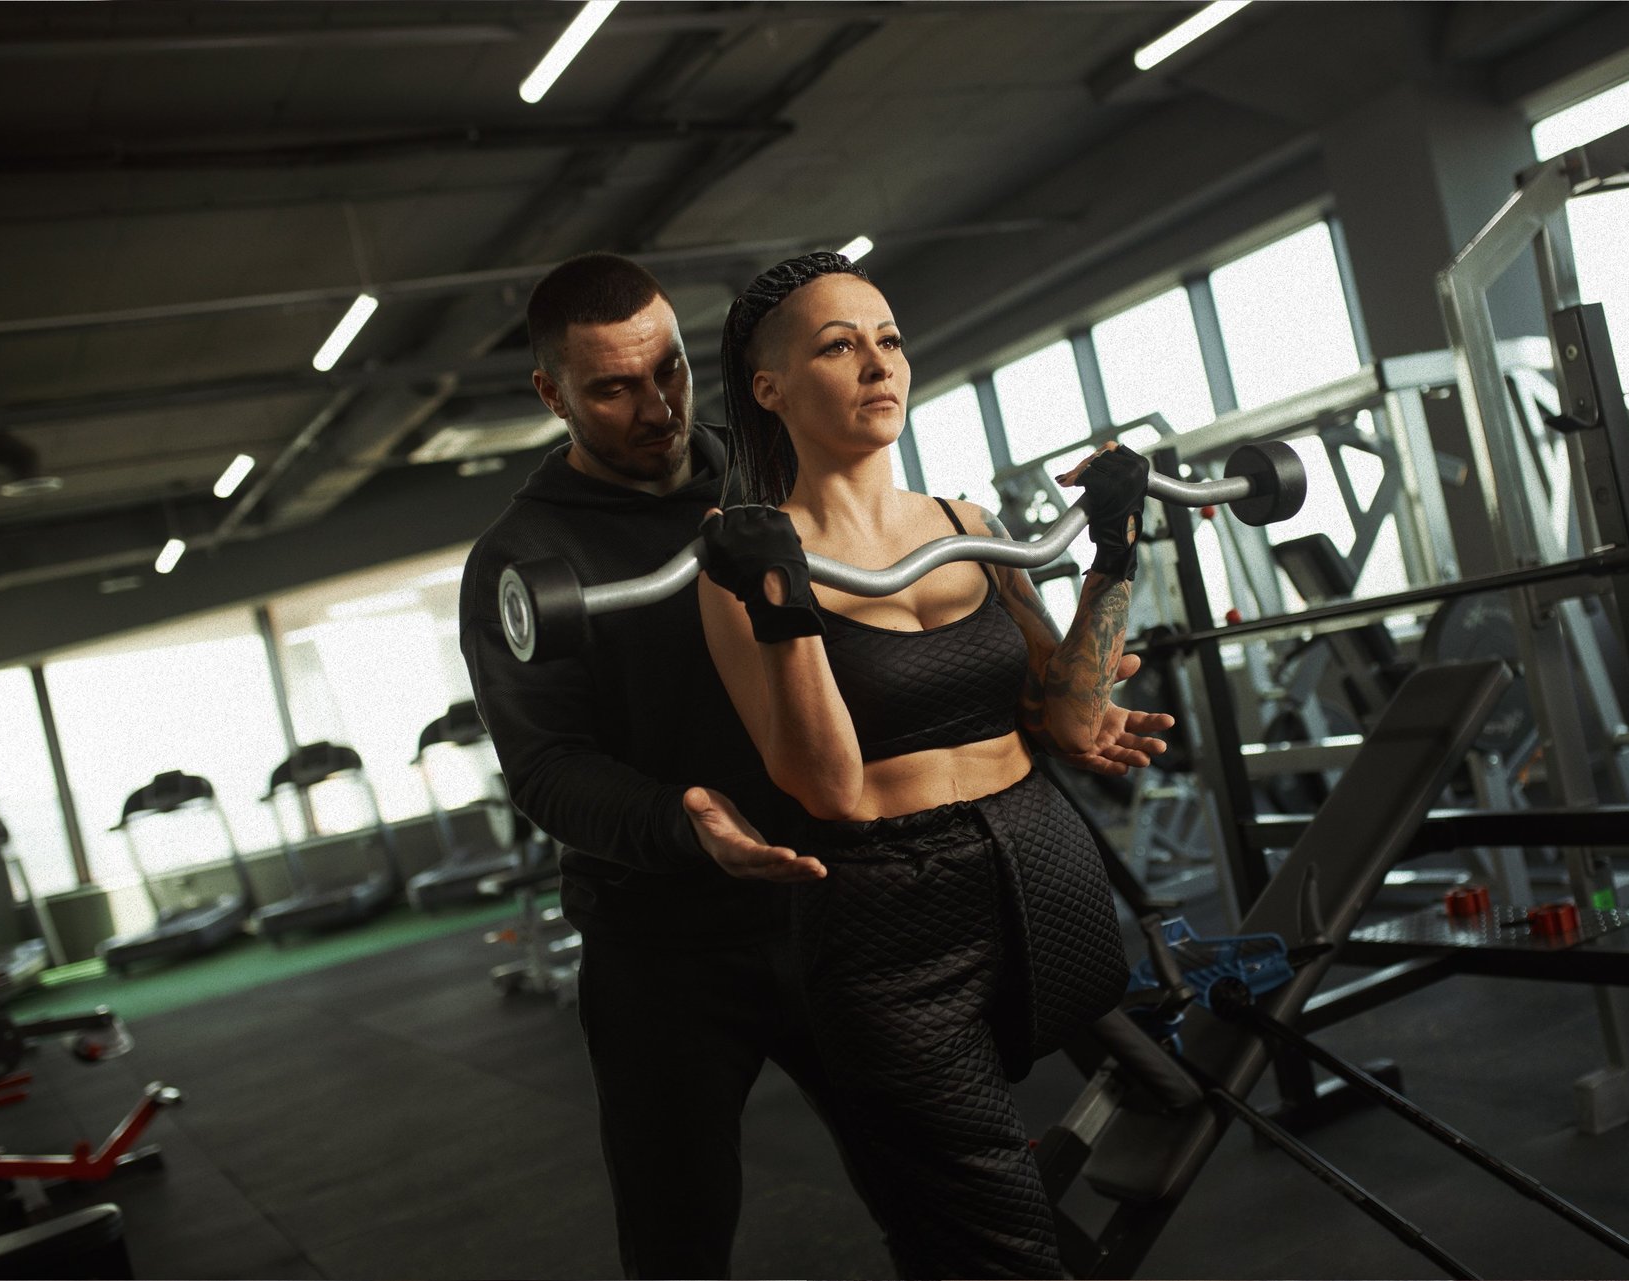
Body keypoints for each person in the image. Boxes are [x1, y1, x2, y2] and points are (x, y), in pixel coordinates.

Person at [459, 251, 1170, 1278]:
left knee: (939, 1200)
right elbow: (543, 766)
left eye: (669, 371)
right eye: (613, 388)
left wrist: (1054, 684)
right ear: (550, 392)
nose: (657, 407)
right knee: (679, 1232)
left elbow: (914, 650)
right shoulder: (523, 559)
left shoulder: (768, 481)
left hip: (839, 896)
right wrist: (679, 820)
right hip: (671, 939)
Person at [696, 250, 1166, 1279]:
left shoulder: (967, 527)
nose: (877, 363)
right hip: (887, 927)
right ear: (769, 388)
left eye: (889, 339)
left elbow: (1071, 715)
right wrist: (786, 607)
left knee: (1123, 1144)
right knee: (992, 1232)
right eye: (837, 345)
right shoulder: (743, 563)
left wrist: (1118, 549)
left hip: (1039, 870)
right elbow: (825, 788)